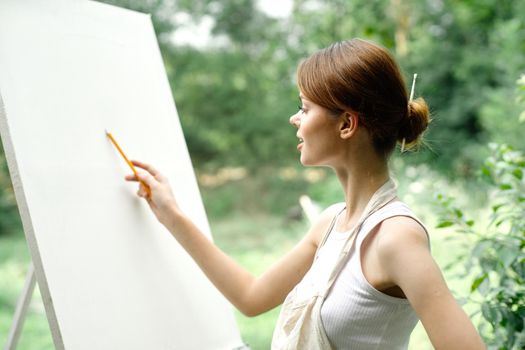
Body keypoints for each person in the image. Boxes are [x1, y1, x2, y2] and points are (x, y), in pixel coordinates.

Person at [125, 38, 485, 349]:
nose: (294, 119)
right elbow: (251, 298)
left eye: (304, 107)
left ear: (346, 124)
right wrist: (170, 213)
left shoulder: (395, 236)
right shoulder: (330, 223)